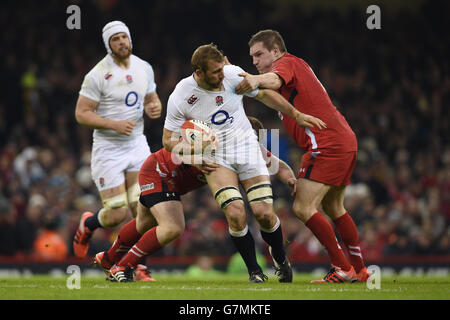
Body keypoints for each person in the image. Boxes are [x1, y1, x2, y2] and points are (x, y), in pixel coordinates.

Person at [162, 44, 326, 283]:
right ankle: (255, 272)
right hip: (217, 157)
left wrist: (297, 115)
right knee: (236, 213)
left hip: (248, 149)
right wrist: (194, 153)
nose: (222, 74)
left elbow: (265, 95)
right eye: (216, 71)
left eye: (222, 69)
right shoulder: (181, 96)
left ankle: (280, 258)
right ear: (198, 73)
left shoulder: (232, 75)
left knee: (264, 214)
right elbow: (168, 140)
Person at [94, 116, 302, 282]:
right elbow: (179, 143)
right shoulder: (212, 136)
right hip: (160, 172)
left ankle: (108, 259)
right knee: (172, 227)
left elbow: (277, 164)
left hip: (167, 179)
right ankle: (123, 266)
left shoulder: (246, 150)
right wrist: (194, 157)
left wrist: (291, 178)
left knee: (143, 223)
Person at [235, 29, 370, 283]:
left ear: (275, 51)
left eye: (259, 54)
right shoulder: (294, 69)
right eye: (251, 57)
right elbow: (266, 94)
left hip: (327, 143)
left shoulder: (285, 63)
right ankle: (359, 269)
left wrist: (253, 79)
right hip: (341, 140)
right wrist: (240, 81)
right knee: (334, 207)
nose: (254, 61)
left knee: (302, 207)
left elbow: (272, 82)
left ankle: (342, 267)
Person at [72, 21, 162, 260]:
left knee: (143, 211)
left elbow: (152, 99)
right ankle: (89, 224)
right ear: (108, 45)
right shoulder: (98, 74)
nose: (122, 42)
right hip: (108, 150)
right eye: (116, 39)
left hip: (136, 145)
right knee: (116, 214)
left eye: (124, 37)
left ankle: (134, 265)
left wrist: (155, 107)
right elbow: (81, 113)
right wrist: (114, 124)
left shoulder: (144, 67)